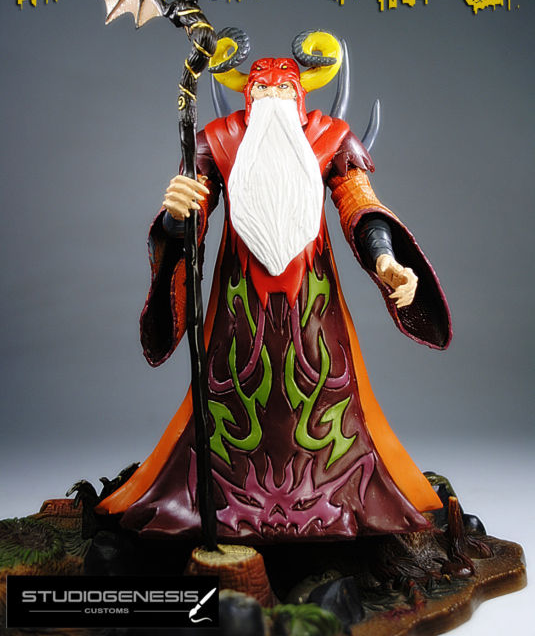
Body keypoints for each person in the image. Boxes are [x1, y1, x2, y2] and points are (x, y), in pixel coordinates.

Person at [97, 31, 451, 543]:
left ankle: (334, 497)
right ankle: (221, 499)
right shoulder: (217, 139)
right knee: (230, 393)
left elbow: (358, 203)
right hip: (237, 304)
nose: (272, 97)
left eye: (283, 89)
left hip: (314, 301)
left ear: (300, 95)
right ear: (247, 95)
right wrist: (176, 216)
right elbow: (193, 211)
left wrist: (386, 259)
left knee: (324, 389)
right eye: (261, 89)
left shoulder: (331, 136)